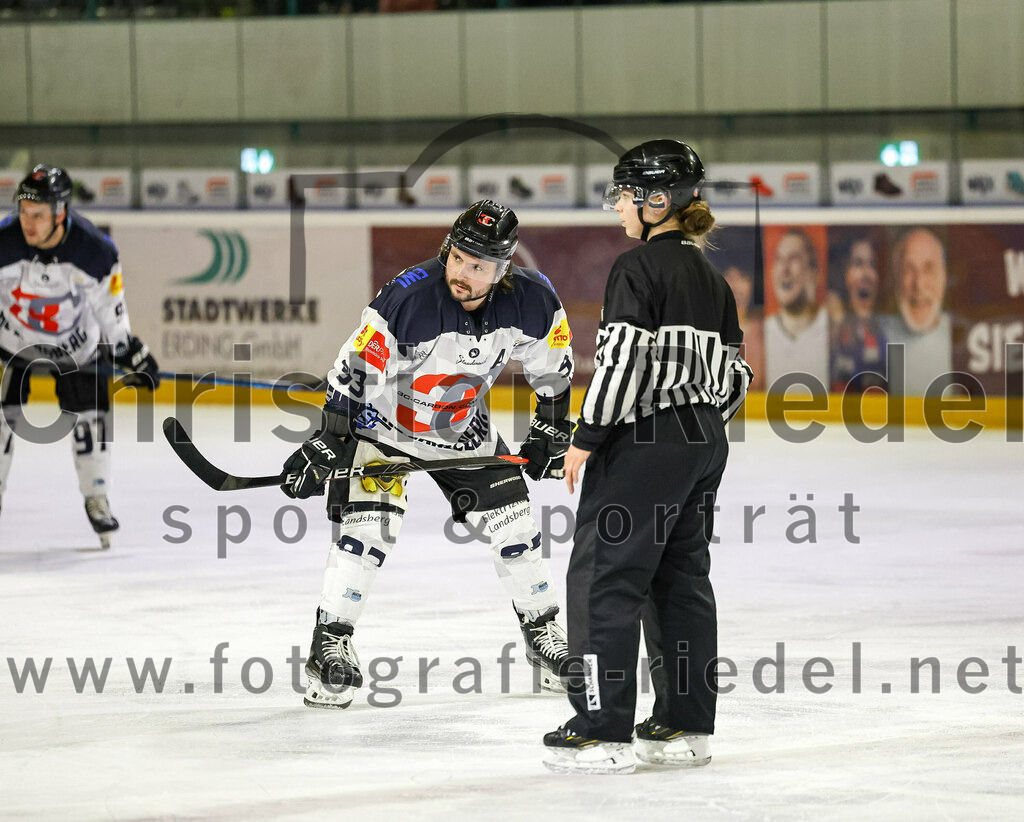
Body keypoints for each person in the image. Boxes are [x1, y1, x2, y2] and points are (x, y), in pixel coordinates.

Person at [282, 200, 575, 709]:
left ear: (504, 271)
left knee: (516, 526)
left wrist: (551, 424)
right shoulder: (411, 296)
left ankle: (544, 638)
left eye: (479, 266)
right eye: (458, 257)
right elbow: (355, 367)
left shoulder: (533, 300)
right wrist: (330, 436)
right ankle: (330, 644)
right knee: (366, 532)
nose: (462, 273)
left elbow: (553, 361)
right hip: (384, 427)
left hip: (462, 426)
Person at [543, 140, 752, 774]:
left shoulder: (637, 269)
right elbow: (738, 376)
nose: (620, 209)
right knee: (680, 580)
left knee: (606, 576)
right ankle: (684, 727)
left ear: (658, 201)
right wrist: (695, 430)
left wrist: (586, 437)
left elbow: (620, 362)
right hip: (702, 441)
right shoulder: (713, 281)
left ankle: (602, 729)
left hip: (645, 442)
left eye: (626, 196)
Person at [0, 165, 160, 549]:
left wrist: (126, 349)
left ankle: (96, 496)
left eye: (38, 215)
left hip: (75, 347)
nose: (28, 222)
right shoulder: (3, 242)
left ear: (61, 212)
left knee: (91, 419)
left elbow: (111, 306)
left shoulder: (95, 250)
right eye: (24, 212)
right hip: (11, 343)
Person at [881, 228, 952, 396]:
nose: (918, 284)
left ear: (944, 277)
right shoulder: (876, 333)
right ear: (896, 279)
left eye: (929, 269)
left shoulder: (966, 339)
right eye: (908, 270)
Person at [763, 227, 829, 390]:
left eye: (794, 259)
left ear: (814, 272)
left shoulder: (834, 330)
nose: (784, 269)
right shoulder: (759, 333)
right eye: (779, 259)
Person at [828, 235, 887, 392]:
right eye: (858, 263)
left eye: (871, 264)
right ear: (843, 273)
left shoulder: (886, 328)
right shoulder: (832, 328)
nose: (867, 273)